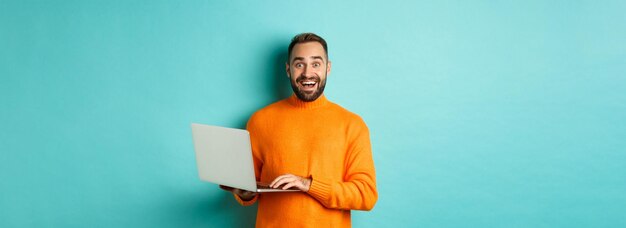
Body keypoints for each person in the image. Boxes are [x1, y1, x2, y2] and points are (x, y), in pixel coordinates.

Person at [221, 32, 378, 227]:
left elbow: (366, 195)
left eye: (316, 63)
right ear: (288, 70)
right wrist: (244, 194)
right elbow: (249, 187)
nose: (307, 73)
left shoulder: (352, 125)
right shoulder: (259, 121)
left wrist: (309, 185)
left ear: (327, 68)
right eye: (299, 64)